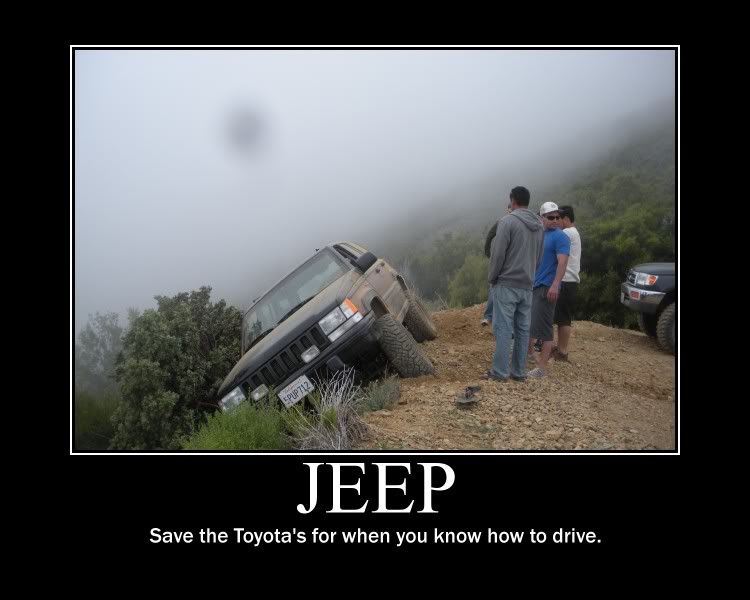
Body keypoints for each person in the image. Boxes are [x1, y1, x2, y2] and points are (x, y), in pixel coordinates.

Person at [481, 187, 544, 382]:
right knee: (523, 330)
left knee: (503, 329)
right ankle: (519, 372)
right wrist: (530, 275)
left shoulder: (507, 221)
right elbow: (539, 257)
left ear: (513, 200)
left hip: (506, 284)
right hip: (527, 285)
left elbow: (498, 254)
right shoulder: (539, 225)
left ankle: (499, 372)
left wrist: (493, 278)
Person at [527, 202, 570, 378]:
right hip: (535, 285)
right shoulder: (541, 234)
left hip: (547, 287)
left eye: (558, 217)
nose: (555, 220)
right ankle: (530, 356)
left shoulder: (560, 237)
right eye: (551, 217)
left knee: (545, 328)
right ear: (542, 218)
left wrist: (555, 284)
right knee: (531, 323)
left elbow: (562, 262)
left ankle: (541, 369)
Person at [552, 205, 581, 361]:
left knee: (563, 318)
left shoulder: (568, 233)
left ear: (567, 218)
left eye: (559, 218)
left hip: (566, 280)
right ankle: (560, 348)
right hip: (570, 280)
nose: (556, 221)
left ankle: (562, 352)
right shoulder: (574, 233)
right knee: (563, 316)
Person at [480, 202, 513, 326]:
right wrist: (488, 252)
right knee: (493, 285)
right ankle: (489, 316)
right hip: (500, 258)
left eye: (512, 210)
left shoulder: (520, 224)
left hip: (513, 261)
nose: (511, 213)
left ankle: (504, 316)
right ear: (507, 210)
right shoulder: (501, 222)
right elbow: (490, 235)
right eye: (509, 210)